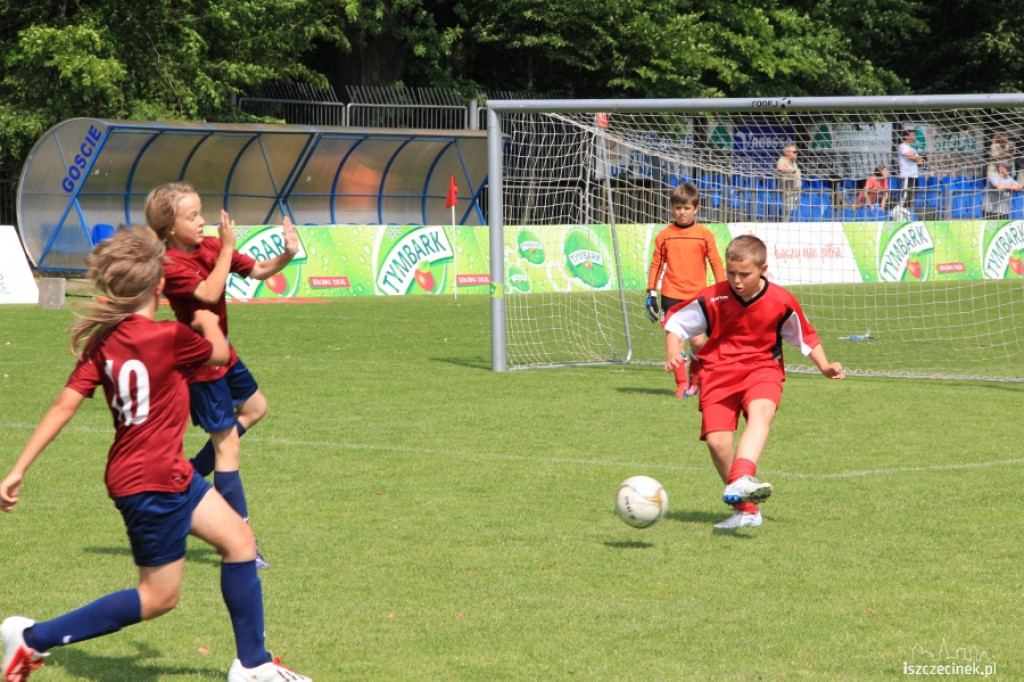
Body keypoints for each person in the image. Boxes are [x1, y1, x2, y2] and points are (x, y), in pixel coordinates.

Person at [0, 226, 311, 682]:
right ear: (160, 285)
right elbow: (220, 355)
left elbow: (64, 405)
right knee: (158, 597)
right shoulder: (170, 337)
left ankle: (253, 664)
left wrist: (18, 469)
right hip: (151, 482)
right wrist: (206, 323)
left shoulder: (103, 341)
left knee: (240, 543)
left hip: (164, 474)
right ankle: (32, 639)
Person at [146, 181, 298, 569]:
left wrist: (287, 254)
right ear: (168, 228)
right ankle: (243, 541)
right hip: (199, 364)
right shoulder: (169, 264)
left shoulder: (211, 247)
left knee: (256, 407)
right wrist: (227, 248)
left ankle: (188, 476)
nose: (203, 222)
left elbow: (260, 270)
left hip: (223, 354)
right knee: (229, 448)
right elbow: (210, 294)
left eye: (202, 212)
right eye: (192, 216)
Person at [662, 235, 845, 530]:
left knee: (761, 414)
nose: (736, 280)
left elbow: (805, 335)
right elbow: (676, 323)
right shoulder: (713, 297)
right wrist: (674, 352)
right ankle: (747, 510)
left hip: (763, 369)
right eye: (731, 273)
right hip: (718, 374)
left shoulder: (781, 301)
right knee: (717, 442)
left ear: (763, 269)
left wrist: (824, 366)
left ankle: (745, 475)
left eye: (744, 274)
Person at [645, 182, 726, 399]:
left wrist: (722, 289)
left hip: (698, 296)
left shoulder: (705, 235)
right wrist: (651, 292)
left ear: (695, 209)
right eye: (678, 208)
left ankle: (696, 378)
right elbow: (656, 264)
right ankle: (681, 384)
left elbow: (716, 262)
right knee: (676, 340)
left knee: (698, 341)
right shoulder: (664, 236)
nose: (682, 212)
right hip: (671, 295)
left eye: (687, 208)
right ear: (672, 208)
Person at [897, 129, 923, 212]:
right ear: (906, 136)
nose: (914, 137)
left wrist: (916, 158)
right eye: (912, 135)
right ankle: (899, 212)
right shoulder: (902, 146)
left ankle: (906, 213)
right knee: (905, 196)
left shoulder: (913, 149)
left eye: (914, 135)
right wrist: (916, 158)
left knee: (911, 197)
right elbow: (910, 157)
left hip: (914, 175)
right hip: (907, 174)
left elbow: (921, 162)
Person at [775, 144, 802, 216]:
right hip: (788, 193)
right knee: (788, 213)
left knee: (794, 213)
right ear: (787, 153)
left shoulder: (793, 162)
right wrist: (791, 171)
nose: (796, 154)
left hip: (796, 192)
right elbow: (780, 168)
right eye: (794, 152)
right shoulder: (782, 160)